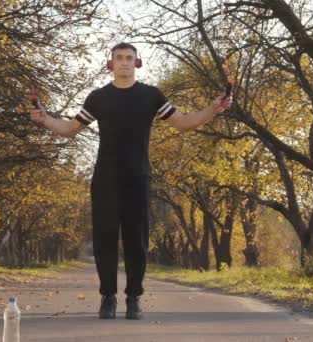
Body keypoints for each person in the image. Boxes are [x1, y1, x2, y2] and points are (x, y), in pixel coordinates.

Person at [28, 42, 232, 320]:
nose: (124, 62)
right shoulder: (98, 97)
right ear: (111, 64)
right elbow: (69, 129)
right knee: (105, 239)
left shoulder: (151, 96)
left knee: (136, 240)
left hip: (138, 176)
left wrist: (213, 108)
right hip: (105, 178)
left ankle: (134, 297)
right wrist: (44, 120)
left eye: (129, 58)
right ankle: (108, 298)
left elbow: (183, 122)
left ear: (137, 62)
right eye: (118, 58)